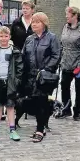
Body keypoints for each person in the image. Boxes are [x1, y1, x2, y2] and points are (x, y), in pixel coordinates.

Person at [21, 12, 61, 143]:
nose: (34, 24)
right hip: (30, 76)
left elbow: (56, 55)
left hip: (44, 77)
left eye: (37, 22)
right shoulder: (29, 39)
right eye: (32, 22)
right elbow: (23, 56)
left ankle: (39, 129)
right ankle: (41, 126)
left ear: (44, 24)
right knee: (32, 102)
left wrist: (47, 69)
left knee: (42, 102)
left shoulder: (52, 38)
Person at [55, 6, 80, 120]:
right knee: (64, 85)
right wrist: (60, 59)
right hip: (66, 63)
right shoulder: (66, 27)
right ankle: (66, 109)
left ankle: (77, 111)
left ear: (75, 16)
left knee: (79, 88)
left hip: (78, 64)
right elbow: (62, 44)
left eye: (68, 15)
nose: (66, 17)